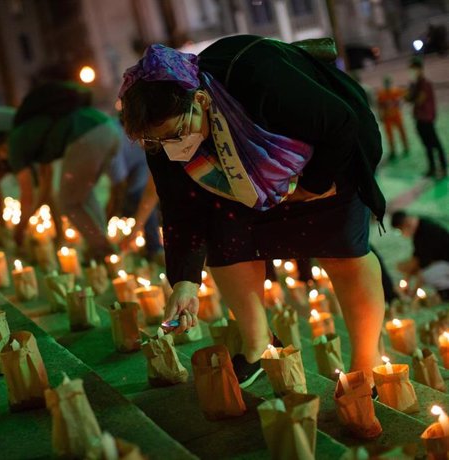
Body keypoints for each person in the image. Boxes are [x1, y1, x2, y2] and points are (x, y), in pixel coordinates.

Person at [119, 37, 386, 386]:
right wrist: (184, 281)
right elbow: (181, 210)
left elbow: (340, 124)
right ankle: (259, 344)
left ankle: (366, 364)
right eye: (155, 142)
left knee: (343, 252)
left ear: (199, 100)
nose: (170, 147)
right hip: (235, 178)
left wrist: (313, 186)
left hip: (326, 157)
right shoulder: (162, 138)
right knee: (227, 239)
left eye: (176, 134)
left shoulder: (257, 74)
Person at [7, 82, 120, 259]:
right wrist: (58, 233)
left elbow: (27, 196)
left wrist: (19, 230)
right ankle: (101, 242)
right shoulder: (32, 132)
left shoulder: (15, 144)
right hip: (106, 126)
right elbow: (46, 186)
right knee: (83, 194)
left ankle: (102, 249)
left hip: (85, 134)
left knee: (69, 203)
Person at [108, 122, 162, 261]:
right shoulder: (114, 138)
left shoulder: (113, 148)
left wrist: (111, 211)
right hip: (142, 175)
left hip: (140, 177)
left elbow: (120, 187)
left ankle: (155, 248)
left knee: (137, 197)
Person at [407, 57, 446, 178]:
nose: (412, 72)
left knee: (435, 143)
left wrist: (411, 94)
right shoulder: (416, 84)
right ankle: (432, 168)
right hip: (419, 118)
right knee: (427, 145)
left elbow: (419, 100)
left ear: (420, 69)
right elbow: (407, 98)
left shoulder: (425, 84)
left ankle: (443, 168)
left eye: (414, 69)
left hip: (427, 119)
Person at [391, 210, 449, 278]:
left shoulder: (424, 232)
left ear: (405, 223)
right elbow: (417, 255)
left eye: (400, 231)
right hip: (441, 261)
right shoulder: (421, 228)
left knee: (425, 274)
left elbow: (423, 260)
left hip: (445, 262)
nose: (402, 233)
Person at [377, 76, 408, 160]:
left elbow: (403, 99)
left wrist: (399, 105)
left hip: (396, 115)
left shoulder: (396, 91)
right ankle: (393, 151)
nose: (387, 85)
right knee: (390, 135)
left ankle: (405, 147)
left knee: (401, 131)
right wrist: (380, 115)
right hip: (387, 117)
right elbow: (379, 106)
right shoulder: (381, 94)